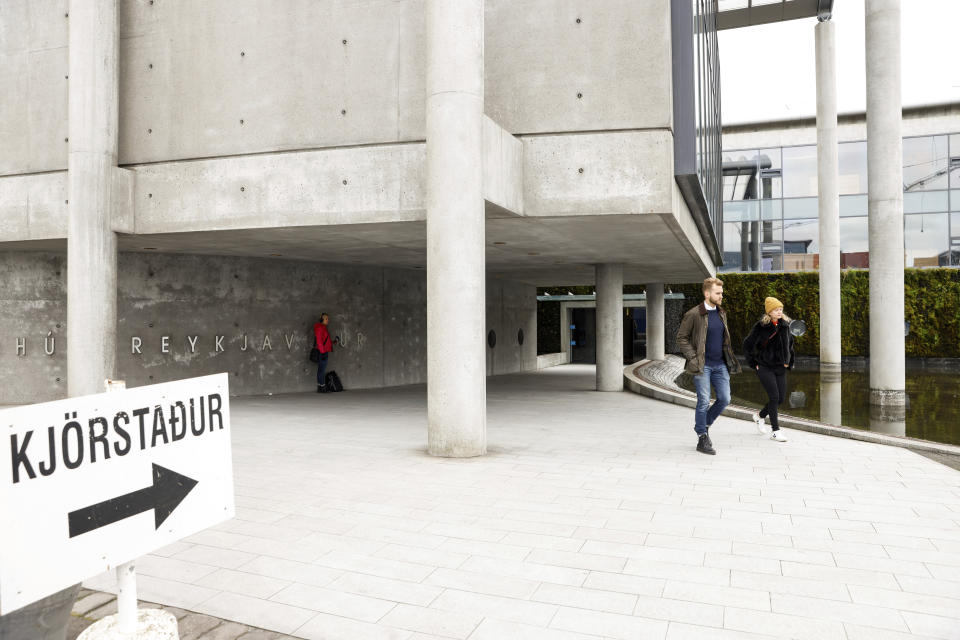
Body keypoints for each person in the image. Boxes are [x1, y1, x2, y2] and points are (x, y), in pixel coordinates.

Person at [676, 277, 742, 455]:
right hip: (702, 366)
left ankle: (704, 424)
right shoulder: (694, 314)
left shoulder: (722, 313)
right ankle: (702, 437)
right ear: (707, 294)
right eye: (718, 293)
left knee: (725, 399)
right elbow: (681, 338)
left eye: (721, 293)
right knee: (704, 401)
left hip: (720, 365)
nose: (721, 296)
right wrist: (693, 357)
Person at [742, 297, 794, 442]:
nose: (779, 311)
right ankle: (775, 431)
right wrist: (754, 363)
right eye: (776, 309)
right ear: (769, 312)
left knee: (781, 398)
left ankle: (759, 416)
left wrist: (788, 362)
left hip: (780, 367)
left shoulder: (785, 325)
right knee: (774, 397)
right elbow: (747, 344)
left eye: (781, 309)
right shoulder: (761, 326)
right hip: (764, 366)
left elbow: (790, 346)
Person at [313, 313, 336, 393]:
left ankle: (320, 387)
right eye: (326, 319)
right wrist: (322, 352)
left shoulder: (323, 328)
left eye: (328, 318)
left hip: (324, 351)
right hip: (322, 352)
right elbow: (319, 341)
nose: (328, 320)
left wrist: (333, 342)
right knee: (321, 370)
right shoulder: (319, 328)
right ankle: (322, 387)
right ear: (322, 319)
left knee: (321, 370)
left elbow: (325, 341)